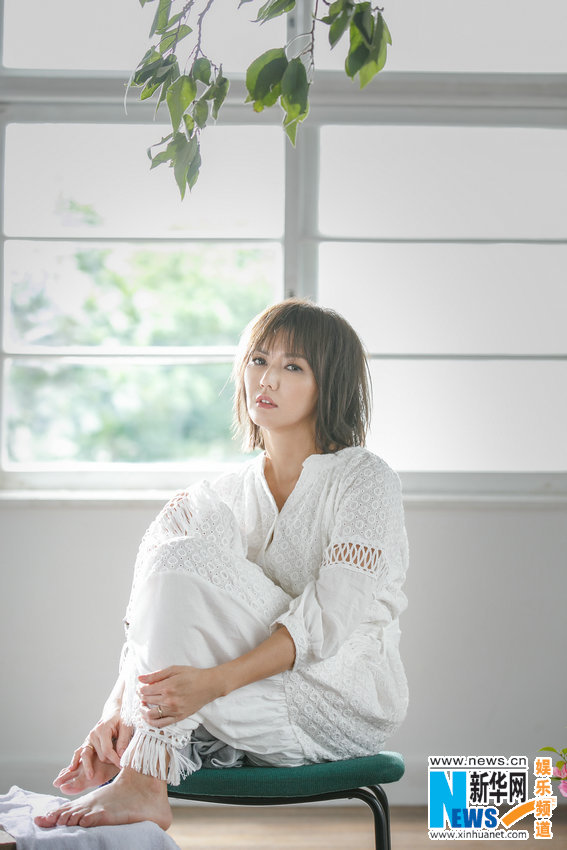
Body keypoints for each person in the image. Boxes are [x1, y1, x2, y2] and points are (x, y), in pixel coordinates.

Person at [35, 298, 409, 831]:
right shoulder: (228, 492)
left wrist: (214, 683)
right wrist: (115, 713)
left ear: (330, 385)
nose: (267, 379)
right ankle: (141, 767)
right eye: (258, 360)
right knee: (185, 525)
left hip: (335, 698)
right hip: (241, 694)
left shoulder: (365, 479)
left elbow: (330, 619)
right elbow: (155, 614)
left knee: (187, 547)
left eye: (293, 366)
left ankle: (143, 775)